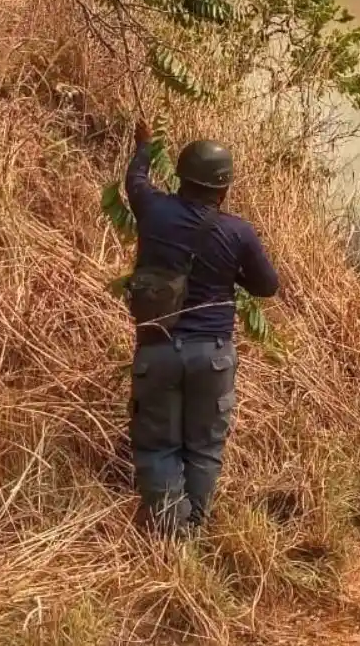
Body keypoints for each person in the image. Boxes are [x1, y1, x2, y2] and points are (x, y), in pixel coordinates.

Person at [123, 119, 279, 536]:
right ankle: (191, 533)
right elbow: (268, 287)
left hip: (157, 349)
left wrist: (144, 146)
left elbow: (135, 182)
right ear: (223, 188)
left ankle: (171, 537)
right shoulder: (238, 232)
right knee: (205, 448)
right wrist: (232, 273)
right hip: (211, 355)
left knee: (158, 447)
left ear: (180, 177)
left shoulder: (153, 210)